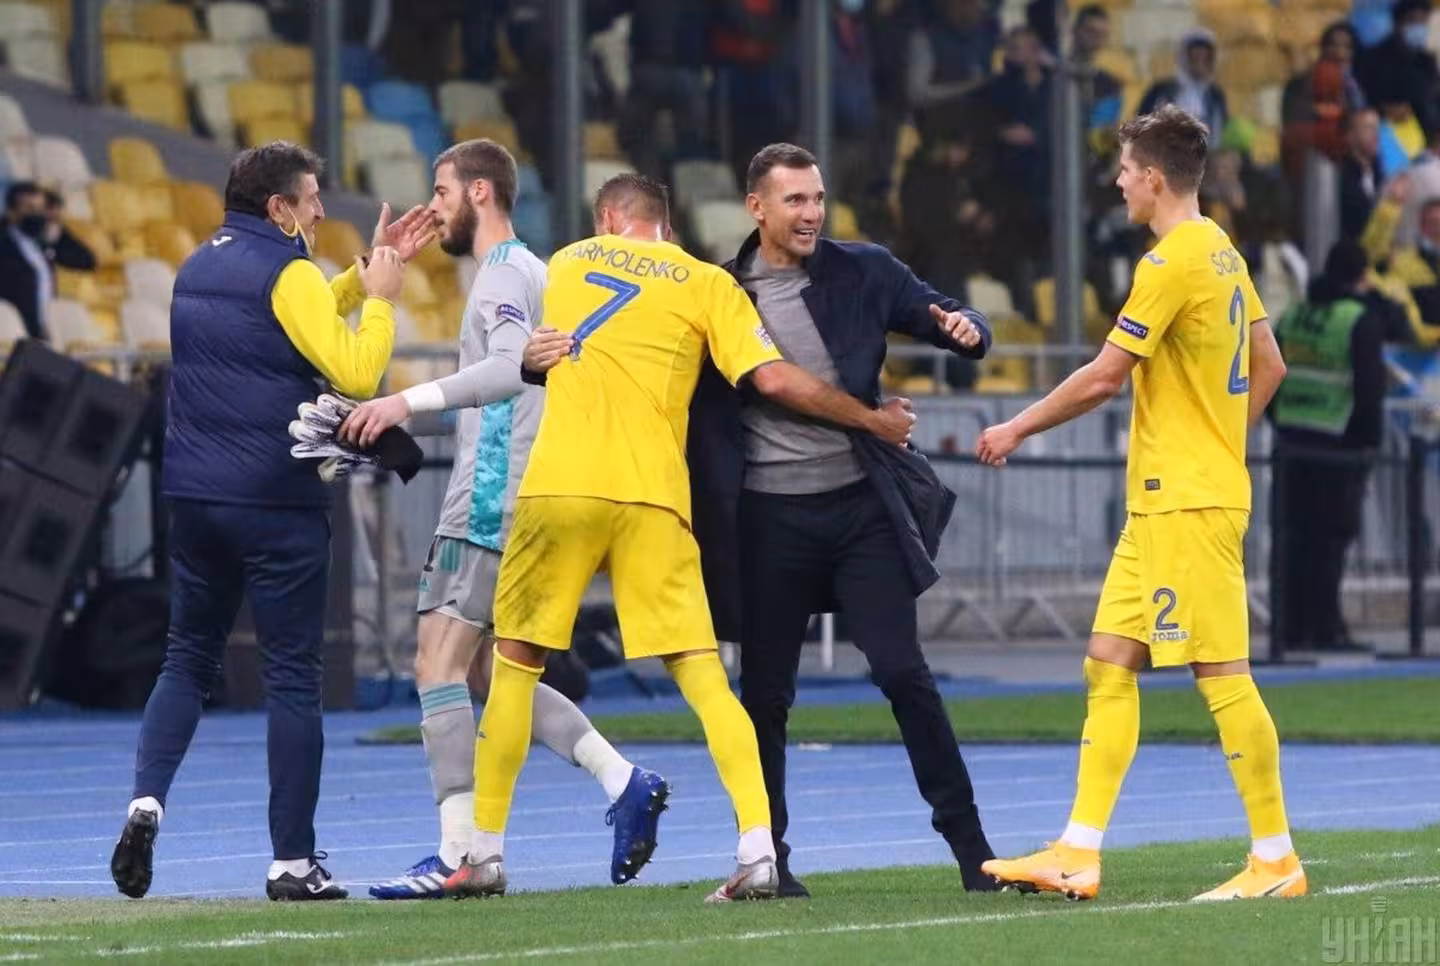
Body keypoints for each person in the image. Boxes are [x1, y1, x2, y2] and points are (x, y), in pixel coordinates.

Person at [445, 173, 917, 903]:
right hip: (654, 499)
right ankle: (759, 851)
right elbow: (769, 377)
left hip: (561, 487)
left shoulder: (566, 261)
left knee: (514, 668)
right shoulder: (705, 282)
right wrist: (870, 418)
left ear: (608, 218)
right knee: (703, 677)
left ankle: (484, 853)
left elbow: (526, 356)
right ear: (664, 223)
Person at [975, 105, 1301, 902]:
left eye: (1124, 170)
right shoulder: (1221, 248)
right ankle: (1077, 852)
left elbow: (1103, 377)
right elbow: (1271, 364)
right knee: (1107, 662)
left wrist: (1015, 426)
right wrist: (1220, 440)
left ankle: (1276, 860)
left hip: (1186, 503)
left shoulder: (1171, 261)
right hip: (1167, 501)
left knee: (1222, 675)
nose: (1118, 183)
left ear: (1153, 178)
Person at [335, 139, 670, 898]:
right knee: (494, 673)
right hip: (521, 490)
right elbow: (506, 382)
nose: (434, 206)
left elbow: (510, 367)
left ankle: (462, 853)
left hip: (490, 498)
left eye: (442, 190)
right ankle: (623, 781)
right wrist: (391, 420)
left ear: (480, 192)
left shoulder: (505, 273)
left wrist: (403, 401)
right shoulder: (530, 272)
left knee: (436, 666)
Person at [108, 142, 434, 901]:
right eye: (311, 199)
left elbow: (284, 319)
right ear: (279, 208)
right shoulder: (291, 273)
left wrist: (364, 271)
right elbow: (356, 371)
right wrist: (382, 300)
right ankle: (292, 863)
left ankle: (145, 802)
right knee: (292, 678)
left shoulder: (195, 266)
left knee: (186, 660)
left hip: (196, 498)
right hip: (275, 502)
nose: (321, 211)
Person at [688, 142, 997, 898]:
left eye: (818, 198)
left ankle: (975, 853)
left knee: (902, 672)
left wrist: (968, 327)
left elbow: (948, 312)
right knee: (765, 697)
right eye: (794, 200)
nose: (812, 213)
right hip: (767, 521)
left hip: (862, 510)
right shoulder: (718, 292)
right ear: (756, 208)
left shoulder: (865, 269)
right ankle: (771, 860)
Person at [1270, 239, 1387, 653]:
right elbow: (1369, 388)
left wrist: (1281, 421)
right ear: (1361, 276)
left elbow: (1269, 370)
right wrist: (1370, 440)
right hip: (1339, 442)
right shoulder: (1358, 320)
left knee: (1292, 535)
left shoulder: (1293, 315)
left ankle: (1289, 627)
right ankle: (1324, 629)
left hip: (1291, 440)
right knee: (1330, 539)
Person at [0, 181, 96, 341]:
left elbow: (88, 261)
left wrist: (56, 243)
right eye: (29, 208)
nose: (36, 214)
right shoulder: (4, 243)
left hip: (45, 331)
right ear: (12, 212)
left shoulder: (44, 239)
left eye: (40, 208)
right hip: (12, 332)